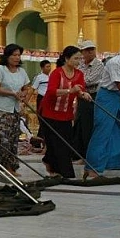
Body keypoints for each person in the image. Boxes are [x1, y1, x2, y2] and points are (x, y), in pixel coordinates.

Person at [84, 35, 120, 179]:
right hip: (106, 97)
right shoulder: (115, 62)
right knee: (102, 132)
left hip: (117, 98)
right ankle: (92, 167)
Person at [39, 46, 90, 178]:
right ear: (67, 58)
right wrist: (70, 91)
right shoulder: (57, 73)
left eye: (80, 58)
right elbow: (51, 92)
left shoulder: (79, 74)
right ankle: (66, 173)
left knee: (65, 143)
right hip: (49, 113)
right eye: (75, 58)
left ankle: (51, 163)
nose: (78, 61)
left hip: (66, 113)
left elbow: (79, 89)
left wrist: (83, 94)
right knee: (54, 142)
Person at [0, 43, 30, 175]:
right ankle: (4, 166)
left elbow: (26, 87)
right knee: (4, 138)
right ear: (7, 56)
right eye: (14, 55)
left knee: (13, 138)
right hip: (1, 108)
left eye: (19, 55)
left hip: (15, 109)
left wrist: (23, 95)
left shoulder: (21, 72)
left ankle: (10, 166)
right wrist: (12, 93)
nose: (17, 58)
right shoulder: (0, 70)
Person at [73, 40, 104, 158]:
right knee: (79, 125)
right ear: (82, 52)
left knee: (89, 126)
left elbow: (89, 80)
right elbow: (76, 79)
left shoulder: (99, 65)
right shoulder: (80, 65)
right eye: (87, 50)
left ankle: (89, 155)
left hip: (92, 97)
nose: (90, 52)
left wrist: (77, 82)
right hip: (80, 96)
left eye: (92, 49)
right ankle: (81, 154)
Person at [31, 59, 51, 140]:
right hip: (42, 99)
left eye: (50, 66)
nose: (49, 68)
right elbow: (32, 89)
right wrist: (26, 101)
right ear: (42, 68)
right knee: (43, 120)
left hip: (50, 100)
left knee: (48, 121)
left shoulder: (52, 76)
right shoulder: (39, 77)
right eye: (47, 66)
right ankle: (39, 140)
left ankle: (40, 140)